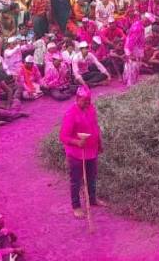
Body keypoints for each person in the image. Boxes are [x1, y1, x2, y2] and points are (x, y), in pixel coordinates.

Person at [59, 86, 102, 219]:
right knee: (76, 180)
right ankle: (76, 206)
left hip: (91, 150)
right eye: (84, 101)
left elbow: (95, 126)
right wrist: (77, 142)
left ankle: (92, 199)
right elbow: (63, 136)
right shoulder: (71, 114)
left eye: (89, 100)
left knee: (92, 176)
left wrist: (99, 143)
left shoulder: (91, 108)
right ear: (77, 99)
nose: (87, 103)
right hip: (76, 153)